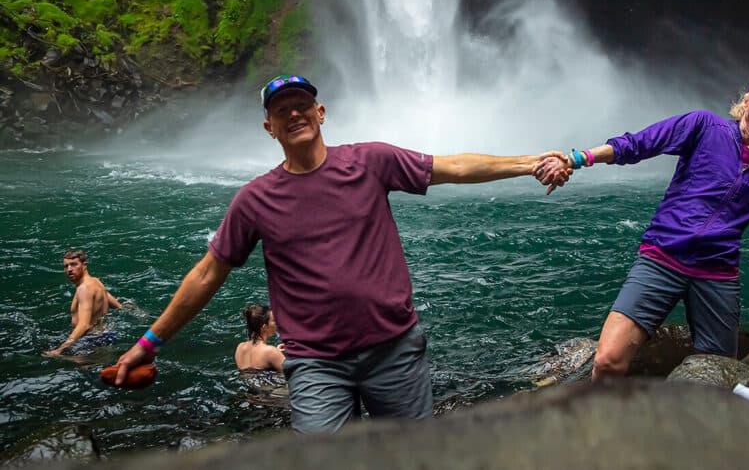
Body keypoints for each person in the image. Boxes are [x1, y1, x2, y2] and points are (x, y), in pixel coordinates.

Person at [112, 74, 570, 432]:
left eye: (302, 106)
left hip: (394, 350)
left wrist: (529, 163)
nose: (294, 115)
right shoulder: (255, 200)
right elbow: (207, 275)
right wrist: (147, 344)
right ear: (268, 127)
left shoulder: (370, 161)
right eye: (281, 111)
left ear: (321, 112)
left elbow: (452, 166)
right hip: (315, 363)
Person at [538, 69, 749, 382]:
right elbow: (638, 144)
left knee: (718, 377)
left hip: (716, 275)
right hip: (662, 258)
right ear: (745, 102)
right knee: (608, 360)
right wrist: (577, 159)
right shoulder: (703, 126)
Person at [45, 250, 122, 356]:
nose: (69, 269)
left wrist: (60, 349)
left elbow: (84, 325)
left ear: (84, 265)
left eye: (73, 264)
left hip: (92, 341)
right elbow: (119, 306)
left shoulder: (84, 289)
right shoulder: (96, 281)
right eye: (66, 266)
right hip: (107, 334)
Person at [234, 304, 285, 373]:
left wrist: (276, 353)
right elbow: (294, 376)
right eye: (274, 321)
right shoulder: (271, 352)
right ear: (264, 327)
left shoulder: (240, 347)